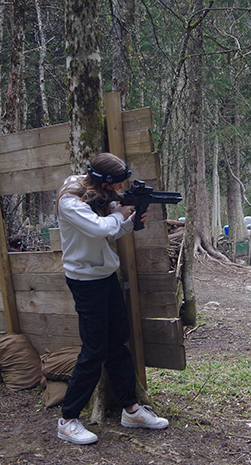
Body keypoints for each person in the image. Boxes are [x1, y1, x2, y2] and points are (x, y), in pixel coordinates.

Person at [55, 152, 168, 445]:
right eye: (116, 186)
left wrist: (131, 220)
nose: (119, 191)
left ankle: (130, 409)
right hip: (84, 283)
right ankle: (67, 420)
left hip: (104, 277)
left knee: (118, 340)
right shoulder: (71, 201)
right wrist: (122, 213)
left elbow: (114, 228)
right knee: (94, 351)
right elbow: (99, 228)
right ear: (103, 182)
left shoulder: (95, 192)